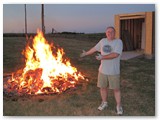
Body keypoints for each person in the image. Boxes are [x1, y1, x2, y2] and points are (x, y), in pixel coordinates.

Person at [80, 26, 123, 115]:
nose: (109, 33)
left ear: (114, 33)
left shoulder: (118, 42)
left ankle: (119, 106)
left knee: (116, 89)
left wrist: (103, 57)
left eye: (111, 32)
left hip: (113, 71)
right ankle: (104, 102)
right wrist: (86, 53)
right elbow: (95, 48)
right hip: (102, 70)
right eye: (108, 32)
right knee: (102, 88)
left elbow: (115, 54)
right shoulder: (103, 41)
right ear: (105, 33)